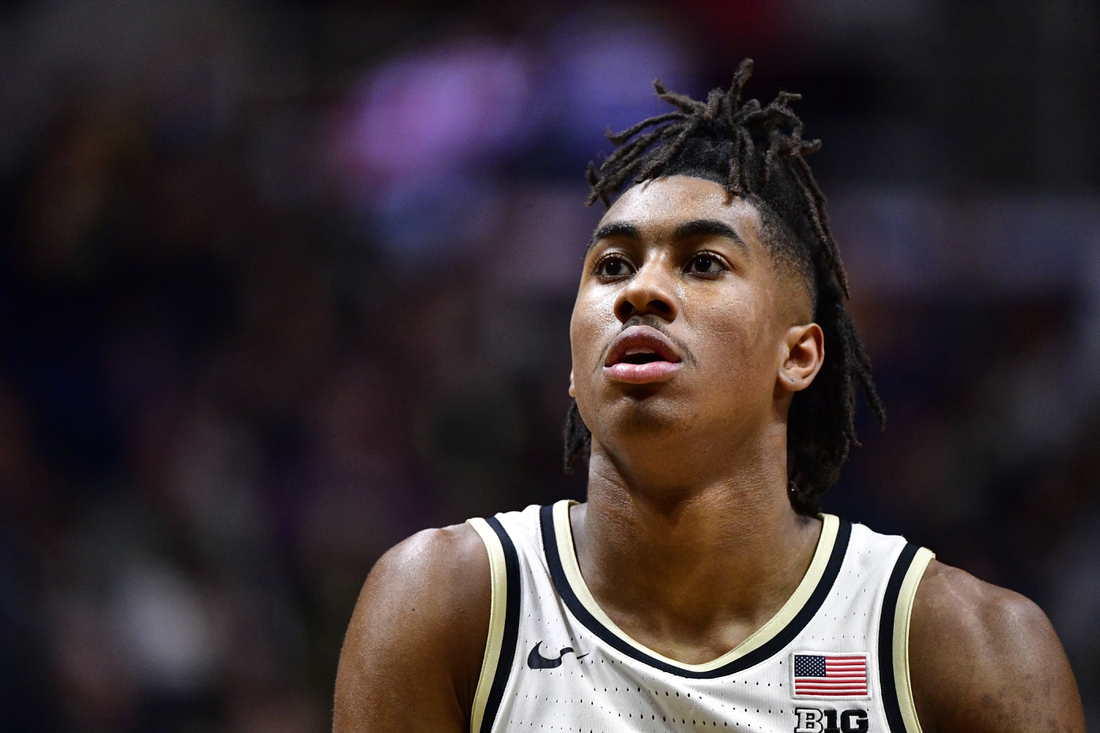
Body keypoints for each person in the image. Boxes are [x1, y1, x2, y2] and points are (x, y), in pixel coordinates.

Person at [333, 60, 1085, 733]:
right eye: (612, 265)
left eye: (702, 263)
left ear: (798, 355)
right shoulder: (445, 607)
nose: (641, 293)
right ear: (573, 364)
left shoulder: (969, 648)